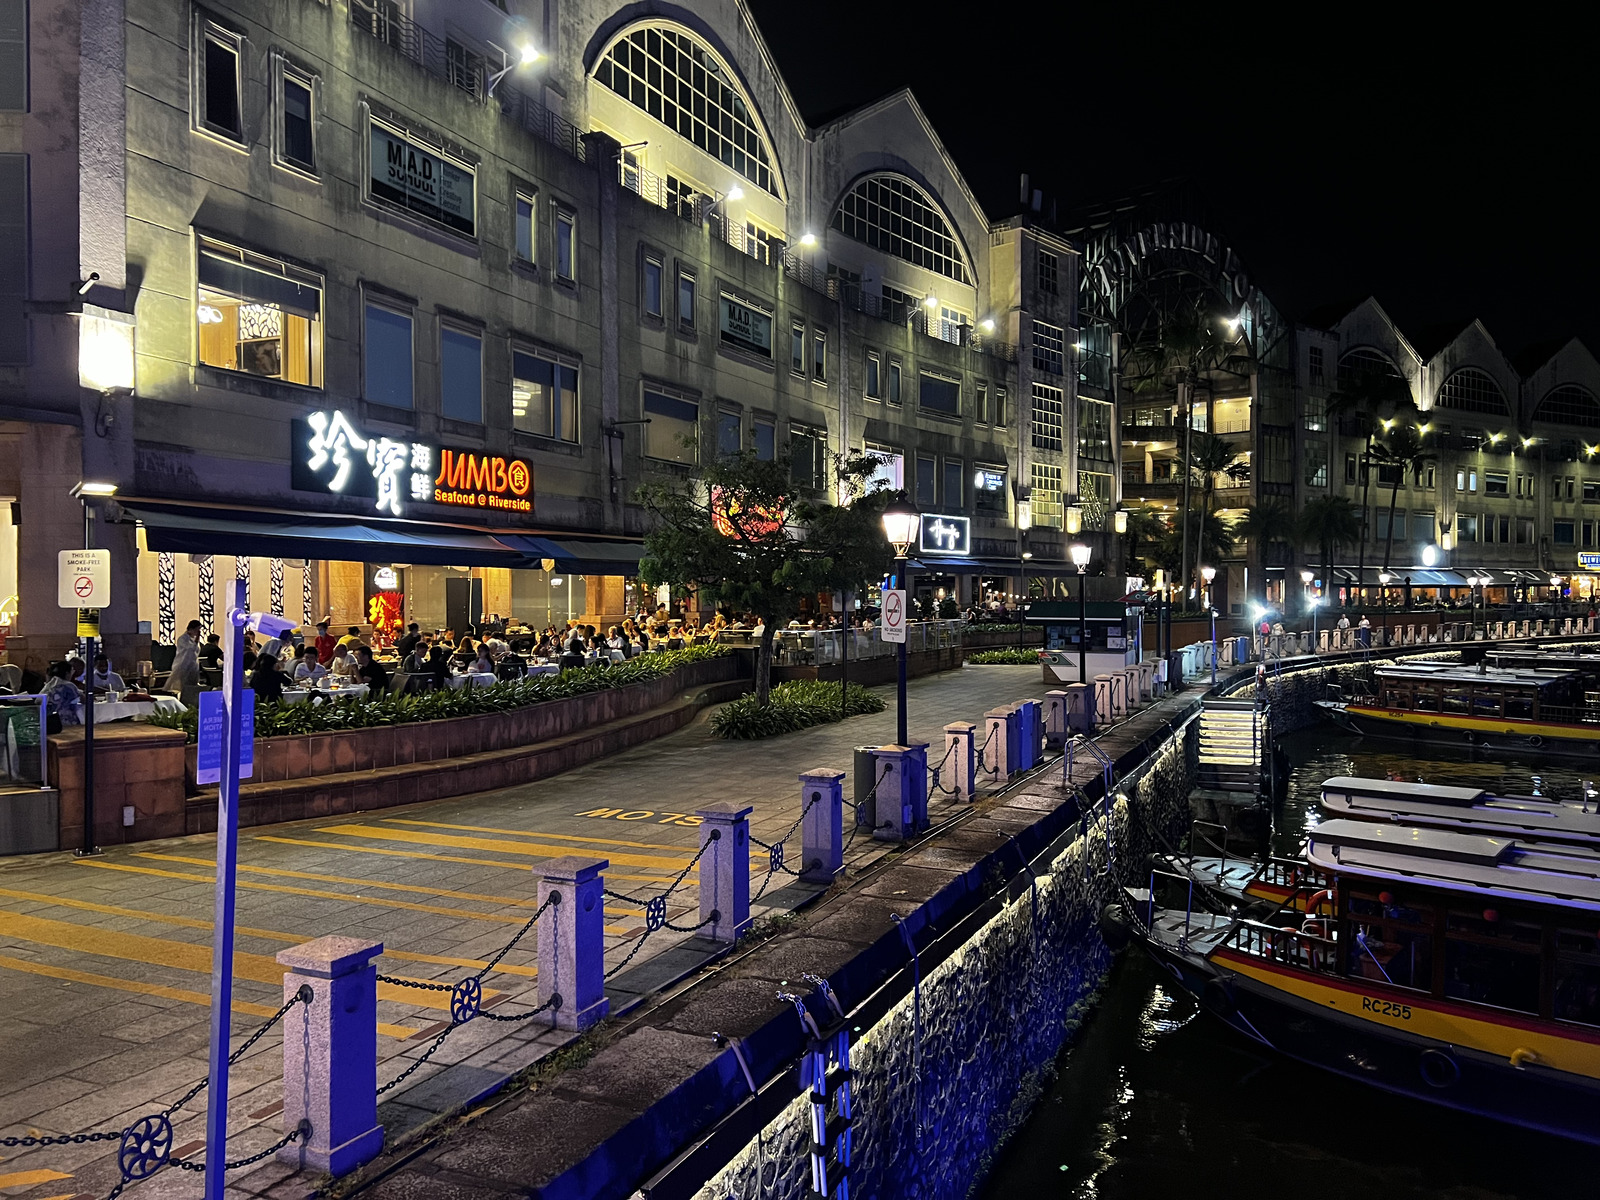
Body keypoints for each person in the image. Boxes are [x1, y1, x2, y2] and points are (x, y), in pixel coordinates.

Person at [170, 619, 202, 706]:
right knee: (184, 687)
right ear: (191, 629)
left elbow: (196, 651)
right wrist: (196, 641)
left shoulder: (194, 640)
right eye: (196, 630)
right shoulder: (182, 639)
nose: (198, 632)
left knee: (193, 686)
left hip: (193, 666)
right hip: (183, 665)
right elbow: (189, 649)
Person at [42, 660, 82, 727]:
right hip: (65, 719)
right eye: (72, 671)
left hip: (47, 719)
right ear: (67, 673)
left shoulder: (50, 684)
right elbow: (78, 700)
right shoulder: (69, 686)